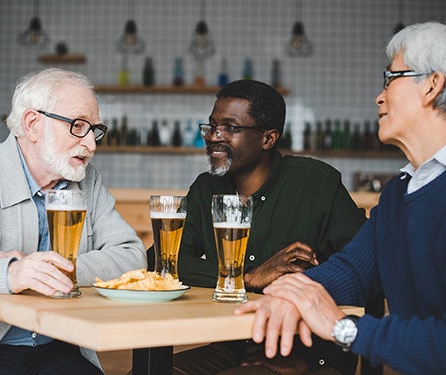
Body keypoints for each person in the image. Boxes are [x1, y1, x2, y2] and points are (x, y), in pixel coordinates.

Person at [235, 21, 446, 375]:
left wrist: (343, 328)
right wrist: (292, 290)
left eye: (390, 78)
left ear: (431, 84)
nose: (379, 97)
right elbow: (352, 270)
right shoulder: (399, 194)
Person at [0, 68, 147, 374]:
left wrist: (53, 272)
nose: (91, 144)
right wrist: (10, 274)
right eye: (78, 126)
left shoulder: (88, 183)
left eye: (95, 130)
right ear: (33, 124)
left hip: (58, 348)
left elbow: (132, 256)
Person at [174, 79, 367, 374]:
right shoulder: (206, 188)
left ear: (268, 139)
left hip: (308, 351)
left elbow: (363, 276)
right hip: (232, 344)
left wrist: (315, 360)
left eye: (230, 128)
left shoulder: (317, 183)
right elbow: (166, 261)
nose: (214, 137)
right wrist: (248, 278)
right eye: (212, 127)